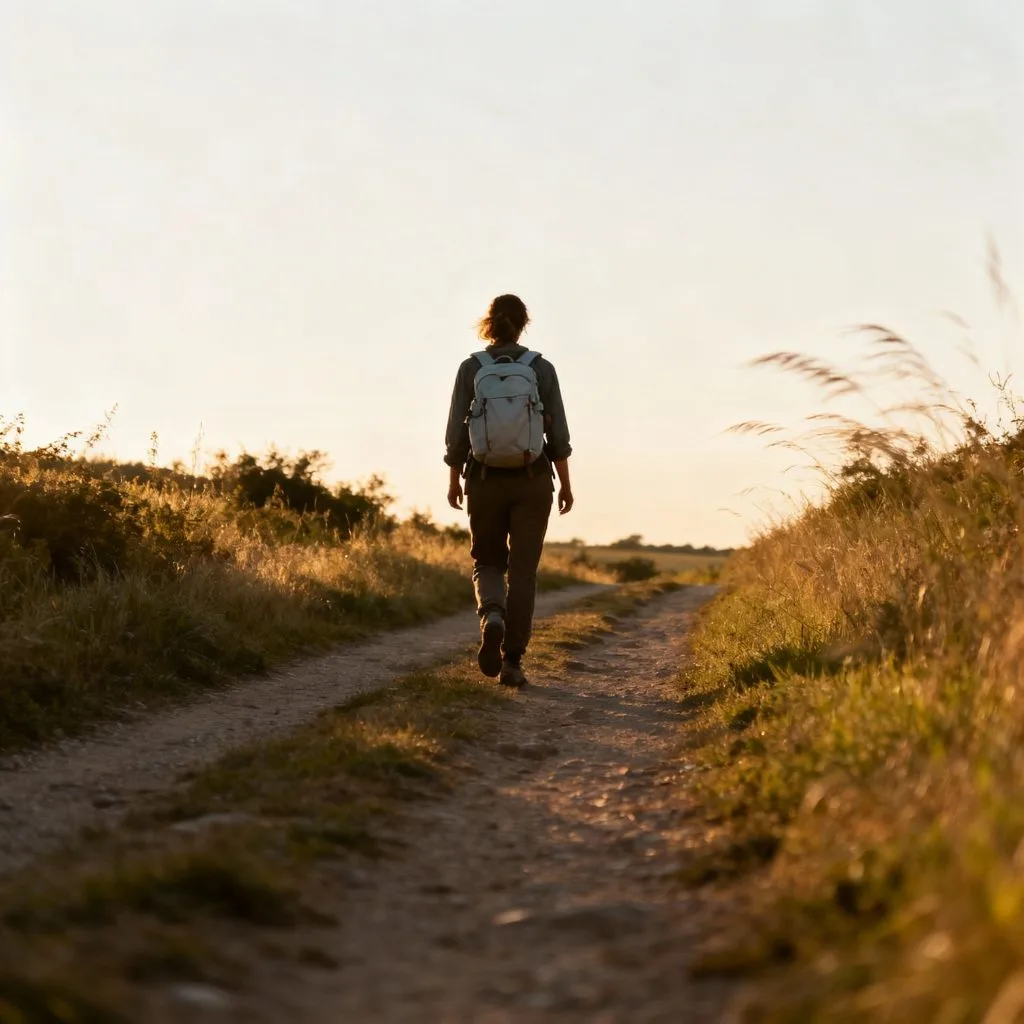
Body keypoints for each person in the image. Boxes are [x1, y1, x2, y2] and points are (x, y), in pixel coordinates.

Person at [445, 294, 574, 687]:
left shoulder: (472, 368)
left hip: (483, 480)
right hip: (533, 480)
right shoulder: (542, 368)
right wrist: (566, 483)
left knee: (486, 560)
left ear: (489, 324)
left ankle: (493, 616)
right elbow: (558, 433)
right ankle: (513, 661)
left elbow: (456, 430)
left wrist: (454, 480)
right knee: (523, 572)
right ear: (524, 324)